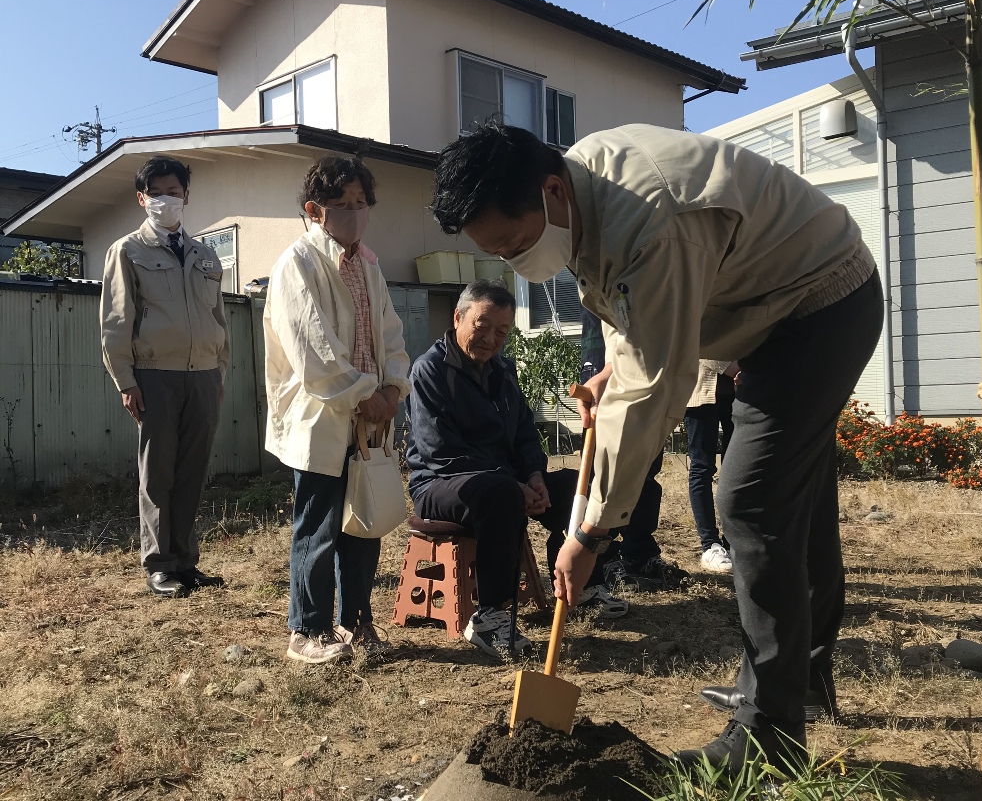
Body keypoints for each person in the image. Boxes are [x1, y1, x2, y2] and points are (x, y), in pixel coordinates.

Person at [429, 121, 882, 770]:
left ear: (550, 191)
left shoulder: (649, 216)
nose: (512, 261)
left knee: (750, 497)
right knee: (792, 498)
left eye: (513, 242)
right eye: (494, 252)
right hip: (776, 314)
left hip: (819, 305)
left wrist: (588, 532)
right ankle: (796, 682)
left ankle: (769, 738)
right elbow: (633, 329)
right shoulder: (580, 197)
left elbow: (655, 388)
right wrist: (617, 370)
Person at [406, 279, 627, 660]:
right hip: (441, 484)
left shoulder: (503, 370)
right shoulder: (429, 371)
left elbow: (525, 434)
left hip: (505, 482)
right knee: (500, 494)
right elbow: (441, 451)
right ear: (458, 317)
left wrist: (535, 477)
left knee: (581, 485)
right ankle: (491, 615)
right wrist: (512, 483)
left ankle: (585, 581)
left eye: (502, 331)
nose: (491, 339)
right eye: (482, 326)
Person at [263, 155, 410, 665]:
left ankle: (356, 622)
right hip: (323, 415)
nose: (354, 212)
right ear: (313, 209)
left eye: (361, 203)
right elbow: (313, 350)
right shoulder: (298, 264)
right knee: (319, 524)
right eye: (341, 204)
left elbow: (390, 334)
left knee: (364, 524)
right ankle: (307, 630)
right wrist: (365, 395)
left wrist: (394, 387)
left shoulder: (369, 264)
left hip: (369, 417)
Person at [101, 156, 229, 597]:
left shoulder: (206, 254)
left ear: (186, 197)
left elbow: (219, 319)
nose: (166, 200)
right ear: (141, 199)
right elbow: (117, 322)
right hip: (154, 375)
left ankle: (186, 562)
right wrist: (125, 380)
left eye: (174, 192)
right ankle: (159, 565)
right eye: (156, 193)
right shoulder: (127, 251)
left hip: (204, 376)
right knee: (158, 474)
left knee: (192, 471)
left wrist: (220, 373)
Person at [579, 308, 685, 593]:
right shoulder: (593, 272)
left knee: (646, 470)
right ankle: (605, 557)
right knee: (605, 471)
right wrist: (605, 372)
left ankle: (640, 553)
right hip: (602, 364)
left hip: (642, 369)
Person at [685, 360, 738, 574]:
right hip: (700, 391)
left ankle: (734, 540)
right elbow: (701, 337)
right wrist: (731, 368)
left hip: (740, 393)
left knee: (738, 469)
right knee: (702, 467)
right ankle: (710, 544)